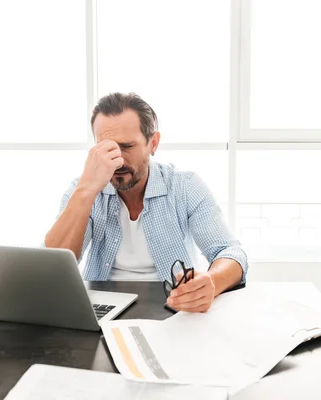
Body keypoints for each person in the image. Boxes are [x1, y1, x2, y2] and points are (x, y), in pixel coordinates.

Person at [44, 92, 248, 312]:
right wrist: (86, 189)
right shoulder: (83, 189)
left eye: (128, 146)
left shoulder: (184, 186)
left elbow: (230, 253)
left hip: (172, 309)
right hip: (100, 309)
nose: (117, 159)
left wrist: (212, 281)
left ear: (153, 143)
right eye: (107, 147)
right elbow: (52, 268)